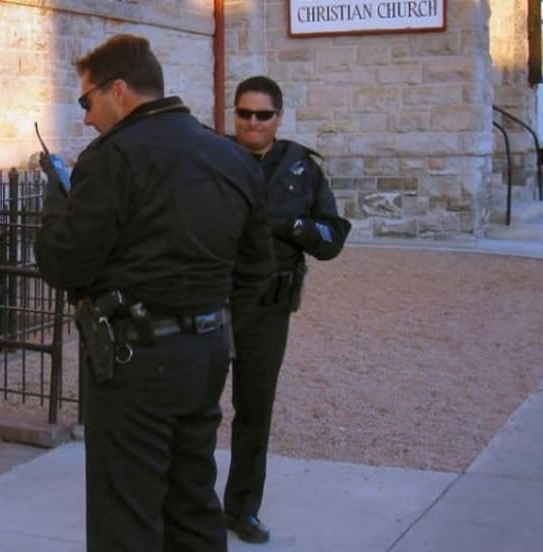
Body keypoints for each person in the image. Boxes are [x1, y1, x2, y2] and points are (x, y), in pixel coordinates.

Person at [35, 35, 275, 552]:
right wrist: (207, 318)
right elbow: (258, 268)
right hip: (204, 352)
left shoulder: (112, 157)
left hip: (135, 359)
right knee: (192, 501)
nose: (86, 118)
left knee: (127, 514)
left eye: (87, 101)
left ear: (119, 90)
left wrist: (56, 205)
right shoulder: (231, 157)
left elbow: (66, 262)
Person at [222, 75, 351, 544]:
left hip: (267, 307)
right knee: (193, 407)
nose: (252, 123)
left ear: (279, 117)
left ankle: (242, 509)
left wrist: (291, 225)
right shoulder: (213, 158)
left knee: (254, 410)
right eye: (244, 113)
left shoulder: (301, 168)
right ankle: (188, 506)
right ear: (234, 114)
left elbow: (331, 239)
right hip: (213, 299)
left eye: (263, 115)